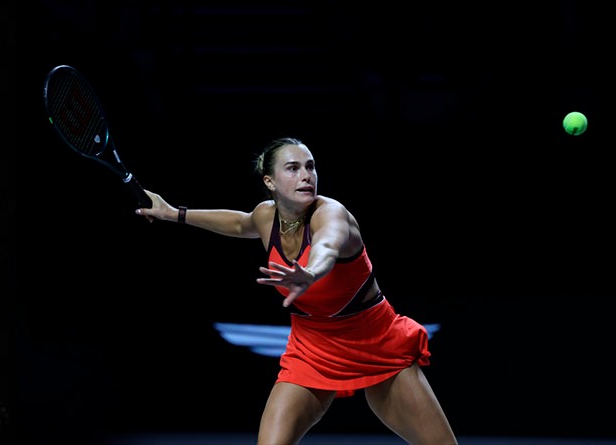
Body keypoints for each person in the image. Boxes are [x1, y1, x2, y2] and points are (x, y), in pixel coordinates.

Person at [135, 137, 457, 445]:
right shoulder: (266, 216)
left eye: (310, 166)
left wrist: (311, 273)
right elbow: (240, 224)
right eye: (293, 168)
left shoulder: (330, 212)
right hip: (311, 347)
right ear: (270, 182)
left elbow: (328, 245)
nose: (306, 175)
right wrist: (173, 213)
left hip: (374, 341)